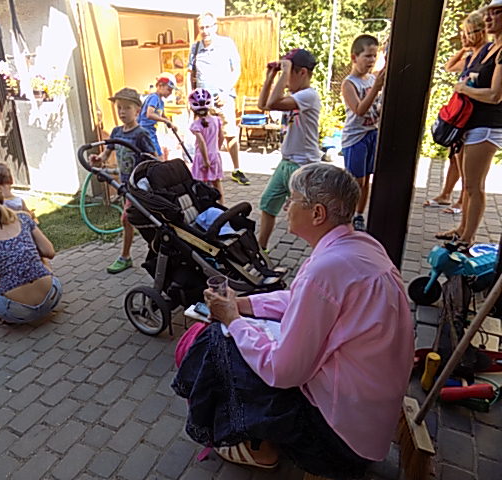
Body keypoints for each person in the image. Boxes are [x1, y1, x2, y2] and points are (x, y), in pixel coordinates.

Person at [172, 163, 414, 478]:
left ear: (317, 213)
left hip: (338, 444)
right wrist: (244, 304)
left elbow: (283, 371)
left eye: (292, 199)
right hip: (366, 428)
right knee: (241, 333)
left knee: (219, 341)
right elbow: (301, 299)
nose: (286, 207)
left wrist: (233, 319)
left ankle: (256, 447)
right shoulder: (361, 246)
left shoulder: (327, 268)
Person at [437, 0, 502, 248]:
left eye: (496, 13)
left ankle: (467, 238)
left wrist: (464, 88)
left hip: (487, 126)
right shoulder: (489, 49)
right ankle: (461, 229)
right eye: (488, 13)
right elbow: (457, 69)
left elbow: (495, 95)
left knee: (475, 185)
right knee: (467, 184)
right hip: (470, 123)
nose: (489, 18)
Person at [0, 182, 61, 324]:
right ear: (1, 198)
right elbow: (49, 252)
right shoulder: (23, 218)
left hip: (14, 311)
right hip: (52, 297)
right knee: (35, 251)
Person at [425, 10, 490, 215]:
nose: (466, 37)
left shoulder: (486, 55)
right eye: (464, 33)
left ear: (482, 31)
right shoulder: (471, 56)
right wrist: (464, 49)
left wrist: (464, 88)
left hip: (474, 118)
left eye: (470, 32)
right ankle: (447, 194)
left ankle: (462, 202)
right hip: (460, 115)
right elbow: (449, 66)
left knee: (468, 168)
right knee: (454, 156)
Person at [256, 49, 321, 251]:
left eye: (289, 71)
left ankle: (321, 254)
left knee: (308, 216)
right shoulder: (296, 96)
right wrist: (270, 76)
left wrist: (283, 73)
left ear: (302, 73)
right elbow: (263, 105)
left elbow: (273, 102)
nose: (285, 79)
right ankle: (261, 250)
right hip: (286, 163)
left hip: (303, 166)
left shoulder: (309, 95)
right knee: (268, 205)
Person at [89, 87, 157, 274]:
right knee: (131, 220)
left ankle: (127, 256)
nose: (122, 112)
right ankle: (149, 250)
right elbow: (106, 153)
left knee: (128, 219)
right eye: (119, 107)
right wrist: (98, 159)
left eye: (127, 107)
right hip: (125, 186)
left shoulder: (140, 133)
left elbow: (153, 158)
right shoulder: (116, 132)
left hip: (138, 186)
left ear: (137, 110)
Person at [188, 12, 250, 186]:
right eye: (202, 27)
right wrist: (189, 96)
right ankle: (207, 169)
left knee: (229, 133)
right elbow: (189, 73)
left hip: (222, 97)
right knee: (204, 134)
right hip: (202, 101)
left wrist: (225, 92)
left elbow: (236, 70)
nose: (205, 31)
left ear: (215, 26)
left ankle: (237, 169)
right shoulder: (195, 48)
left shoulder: (226, 44)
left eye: (208, 27)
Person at [341, 35, 385, 232]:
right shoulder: (349, 84)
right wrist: (375, 89)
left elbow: (377, 107)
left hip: (371, 133)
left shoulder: (373, 79)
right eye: (367, 56)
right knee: (355, 181)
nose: (371, 60)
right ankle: (346, 216)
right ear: (354, 57)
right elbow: (359, 110)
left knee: (366, 179)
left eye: (374, 56)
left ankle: (359, 215)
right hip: (355, 138)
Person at [188, 88, 225, 202]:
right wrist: (216, 149)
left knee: (200, 183)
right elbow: (222, 137)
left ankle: (204, 204)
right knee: (217, 182)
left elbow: (202, 142)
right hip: (215, 155)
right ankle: (222, 205)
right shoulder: (217, 120)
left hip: (202, 157)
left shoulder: (195, 125)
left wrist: (205, 159)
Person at [138, 73, 178, 159]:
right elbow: (149, 114)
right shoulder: (154, 97)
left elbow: (163, 115)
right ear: (160, 86)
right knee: (158, 156)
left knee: (158, 155)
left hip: (151, 131)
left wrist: (170, 123)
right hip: (145, 130)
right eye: (169, 90)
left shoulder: (161, 102)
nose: (170, 93)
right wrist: (166, 121)